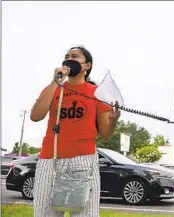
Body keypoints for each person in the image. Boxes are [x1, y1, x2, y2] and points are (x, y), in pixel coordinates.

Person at [30, 46, 121, 217]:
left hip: (83, 160)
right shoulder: (54, 88)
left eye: (75, 56)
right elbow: (35, 116)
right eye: (66, 56)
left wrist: (114, 119)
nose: (69, 59)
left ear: (87, 65)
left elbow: (106, 134)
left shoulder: (97, 92)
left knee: (84, 212)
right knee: (44, 211)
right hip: (51, 158)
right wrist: (55, 82)